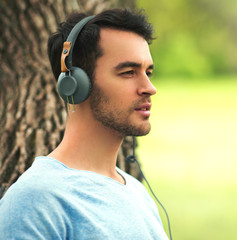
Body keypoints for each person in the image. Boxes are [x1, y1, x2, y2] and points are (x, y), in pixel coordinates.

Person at [0, 8, 169, 240]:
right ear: (75, 84)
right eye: (129, 72)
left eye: (148, 72)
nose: (150, 87)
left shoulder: (137, 193)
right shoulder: (35, 200)